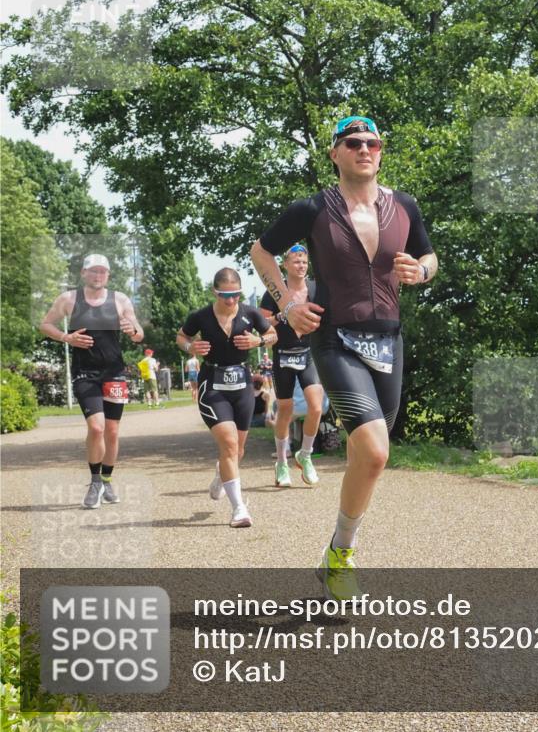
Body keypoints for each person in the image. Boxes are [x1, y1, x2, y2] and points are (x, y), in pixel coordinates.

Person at [250, 115, 437, 598]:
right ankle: (343, 556)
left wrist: (422, 270)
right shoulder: (312, 209)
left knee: (366, 457)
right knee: (376, 451)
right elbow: (260, 251)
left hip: (390, 340)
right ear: (335, 153)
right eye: (353, 143)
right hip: (335, 339)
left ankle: (334, 547)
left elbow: (429, 256)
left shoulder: (405, 206)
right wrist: (288, 304)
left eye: (373, 143)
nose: (365, 150)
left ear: (381, 151)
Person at [39, 254, 144, 509]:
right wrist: (67, 337)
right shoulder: (69, 299)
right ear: (84, 273)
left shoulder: (119, 299)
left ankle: (107, 479)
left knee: (112, 430)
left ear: (108, 275)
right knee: (96, 428)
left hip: (115, 373)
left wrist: (132, 331)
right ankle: (95, 481)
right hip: (85, 372)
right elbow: (45, 324)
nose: (98, 276)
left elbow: (139, 334)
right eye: (93, 271)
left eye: (102, 272)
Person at [176, 268, 277, 528]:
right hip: (213, 384)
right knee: (230, 444)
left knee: (237, 450)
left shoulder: (250, 313)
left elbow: (272, 336)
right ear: (215, 292)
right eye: (225, 295)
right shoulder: (201, 316)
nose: (231, 300)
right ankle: (239, 508)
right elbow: (182, 336)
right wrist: (190, 347)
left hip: (242, 383)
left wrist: (258, 342)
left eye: (235, 295)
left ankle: (221, 477)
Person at [258, 244, 324, 487]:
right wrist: (281, 316)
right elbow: (260, 321)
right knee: (285, 410)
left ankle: (305, 456)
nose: (301, 265)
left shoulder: (315, 289)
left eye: (305, 261)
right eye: (296, 261)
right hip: (282, 354)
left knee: (316, 408)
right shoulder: (276, 291)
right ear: (285, 265)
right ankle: (282, 463)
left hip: (308, 354)